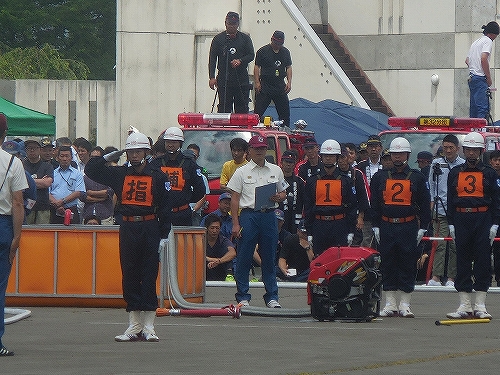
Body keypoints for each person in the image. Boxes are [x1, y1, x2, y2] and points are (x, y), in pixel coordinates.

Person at [85, 132, 172, 341]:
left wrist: (163, 235)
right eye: (130, 151)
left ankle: (149, 326)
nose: (133, 155)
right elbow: (91, 169)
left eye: (137, 151)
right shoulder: (119, 173)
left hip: (150, 226)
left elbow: (166, 208)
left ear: (146, 152)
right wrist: (110, 155)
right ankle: (134, 325)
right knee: (130, 273)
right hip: (128, 227)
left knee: (149, 274)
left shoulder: (158, 176)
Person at [370, 137, 431, 318]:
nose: (397, 157)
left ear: (407, 154)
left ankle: (405, 303)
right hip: (387, 224)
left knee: (407, 263)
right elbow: (374, 204)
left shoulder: (417, 177)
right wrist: (375, 226)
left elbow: (425, 202)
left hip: (408, 226)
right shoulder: (379, 177)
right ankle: (390, 303)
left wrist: (423, 227)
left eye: (401, 154)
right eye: (394, 154)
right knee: (387, 262)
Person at [226, 135, 288, 308]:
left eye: (262, 148)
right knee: (245, 255)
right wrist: (236, 223)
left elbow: (283, 192)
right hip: (249, 215)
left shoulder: (276, 170)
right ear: (249, 151)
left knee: (269, 256)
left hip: (269, 215)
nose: (260, 152)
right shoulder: (241, 171)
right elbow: (235, 198)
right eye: (256, 149)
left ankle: (272, 297)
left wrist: (279, 196)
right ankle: (243, 296)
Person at [446, 132, 500, 320]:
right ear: (464, 150)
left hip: (482, 218)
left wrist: (495, 223)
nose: (471, 154)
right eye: (468, 150)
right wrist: (451, 223)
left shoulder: (490, 173)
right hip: (461, 218)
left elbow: (496, 200)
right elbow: (450, 200)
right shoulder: (455, 172)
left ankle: (480, 305)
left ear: (480, 151)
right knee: (462, 261)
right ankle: (464, 304)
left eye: (474, 150)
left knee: (483, 261)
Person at [0, 113, 28, 356]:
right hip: (3, 225)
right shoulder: (12, 163)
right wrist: (16, 239)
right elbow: (18, 203)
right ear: (5, 134)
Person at [303, 140, 357, 256]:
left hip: (339, 225)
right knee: (319, 260)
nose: (328, 159)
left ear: (337, 158)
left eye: (332, 156)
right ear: (321, 157)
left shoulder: (345, 181)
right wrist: (309, 232)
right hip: (319, 225)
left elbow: (352, 206)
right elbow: (308, 207)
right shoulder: (312, 180)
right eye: (326, 156)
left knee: (339, 260)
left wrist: (351, 231)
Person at [427, 134, 464, 287]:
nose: (448, 151)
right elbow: (431, 185)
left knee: (455, 245)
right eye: (445, 147)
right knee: (439, 244)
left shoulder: (463, 164)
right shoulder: (436, 163)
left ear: (458, 148)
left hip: (457, 210)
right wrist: (431, 205)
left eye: (451, 148)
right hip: (440, 209)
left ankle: (451, 278)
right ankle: (436, 276)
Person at [150, 127, 206, 226]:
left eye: (174, 142)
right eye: (168, 142)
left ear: (180, 143)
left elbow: (200, 190)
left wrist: (185, 198)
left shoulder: (189, 164)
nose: (170, 145)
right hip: (160, 214)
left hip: (182, 215)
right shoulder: (156, 163)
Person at [208, 11, 254, 113]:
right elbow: (212, 59)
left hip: (241, 78)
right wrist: (211, 77)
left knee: (241, 107)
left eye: (235, 24)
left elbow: (251, 55)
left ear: (238, 24)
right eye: (230, 24)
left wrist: (240, 61)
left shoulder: (245, 38)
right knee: (224, 107)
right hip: (224, 78)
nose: (232, 26)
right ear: (225, 23)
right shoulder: (218, 39)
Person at [253, 30, 292, 127]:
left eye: (280, 44)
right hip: (266, 85)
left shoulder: (285, 52)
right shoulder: (262, 51)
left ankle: (285, 130)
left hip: (280, 85)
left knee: (284, 114)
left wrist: (289, 82)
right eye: (276, 43)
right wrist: (257, 82)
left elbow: (288, 67)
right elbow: (257, 67)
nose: (277, 45)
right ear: (272, 40)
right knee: (258, 112)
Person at [337, 145, 370, 247]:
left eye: (343, 157)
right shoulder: (334, 174)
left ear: (348, 157)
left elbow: (363, 197)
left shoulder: (357, 174)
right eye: (339, 158)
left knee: (356, 243)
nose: (341, 161)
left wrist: (361, 217)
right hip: (339, 215)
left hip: (354, 215)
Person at [465, 21, 499, 119]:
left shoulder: (476, 42)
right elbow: (484, 58)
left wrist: (474, 68)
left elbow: (467, 61)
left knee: (474, 109)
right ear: (493, 34)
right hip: (480, 78)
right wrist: (488, 77)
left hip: (472, 78)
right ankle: (481, 131)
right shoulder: (488, 41)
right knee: (482, 109)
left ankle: (473, 131)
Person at [357, 135, 383, 248]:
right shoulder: (360, 167)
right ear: (367, 149)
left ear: (381, 148)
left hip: (383, 210)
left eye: (376, 146)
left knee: (382, 240)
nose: (373, 149)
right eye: (371, 146)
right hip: (367, 210)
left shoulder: (387, 164)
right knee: (367, 240)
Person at [49, 146, 86, 224]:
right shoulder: (52, 173)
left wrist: (62, 202)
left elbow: (78, 192)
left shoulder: (77, 174)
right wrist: (57, 205)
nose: (64, 159)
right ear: (57, 158)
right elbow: (47, 192)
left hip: (71, 209)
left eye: (67, 156)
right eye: (62, 156)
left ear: (71, 158)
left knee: (73, 235)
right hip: (55, 210)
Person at [2, 141, 37, 222]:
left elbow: (32, 197)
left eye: (13, 155)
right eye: (7, 155)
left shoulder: (25, 175)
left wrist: (24, 211)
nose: (10, 158)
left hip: (18, 216)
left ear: (19, 156)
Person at [23, 138, 54, 224]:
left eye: (35, 148)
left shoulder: (47, 166)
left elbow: (47, 183)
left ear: (40, 150)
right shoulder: (21, 165)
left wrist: (28, 181)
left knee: (43, 234)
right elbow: (20, 182)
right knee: (27, 233)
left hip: (43, 206)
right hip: (26, 206)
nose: (32, 150)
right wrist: (40, 181)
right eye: (29, 148)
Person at [204, 214, 237, 281]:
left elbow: (232, 252)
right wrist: (210, 259)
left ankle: (229, 277)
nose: (214, 231)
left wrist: (219, 261)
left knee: (228, 257)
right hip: (204, 268)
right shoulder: (200, 239)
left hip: (219, 269)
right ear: (207, 228)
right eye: (212, 228)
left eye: (217, 228)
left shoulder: (223, 240)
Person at [279, 150, 304, 234]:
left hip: (295, 218)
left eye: (291, 162)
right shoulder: (276, 180)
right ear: (281, 162)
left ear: (294, 164)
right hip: (280, 218)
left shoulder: (300, 182)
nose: (288, 164)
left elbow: (305, 201)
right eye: (286, 161)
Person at [185, 144, 210, 226]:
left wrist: (193, 210)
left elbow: (203, 196)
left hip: (195, 213)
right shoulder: (176, 175)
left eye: (192, 158)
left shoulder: (201, 176)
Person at [489, 150, 500, 286]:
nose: (497, 163)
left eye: (499, 160)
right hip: (488, 216)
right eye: (495, 160)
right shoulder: (486, 175)